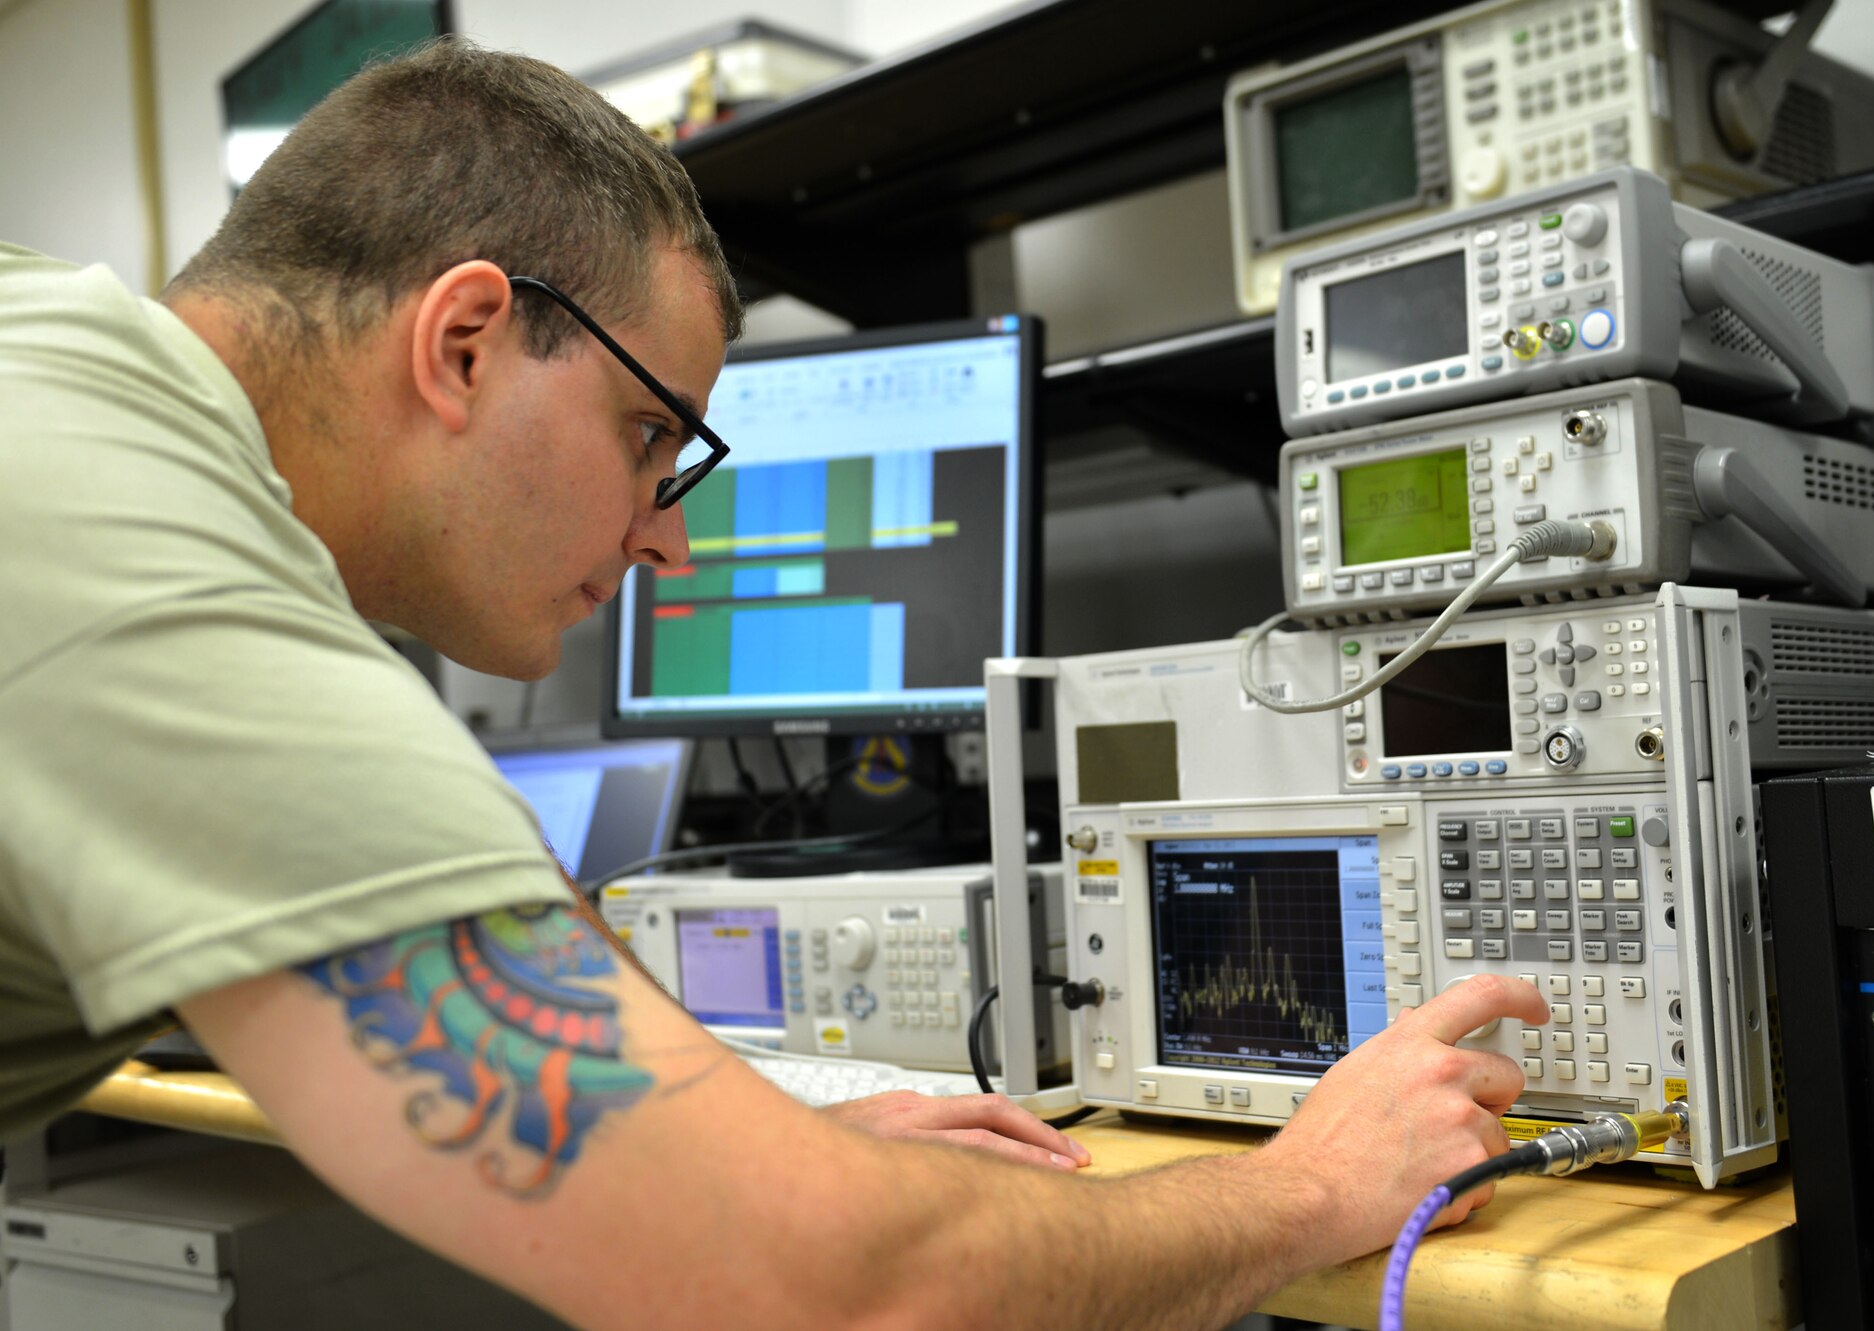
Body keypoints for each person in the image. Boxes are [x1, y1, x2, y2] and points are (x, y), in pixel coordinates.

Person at [0, 38, 1547, 1330]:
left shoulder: (57, 378)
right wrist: (1311, 1186)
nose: (668, 540)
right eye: (651, 438)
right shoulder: (130, 538)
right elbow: (821, 1289)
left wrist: (742, 1143)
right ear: (466, 340)